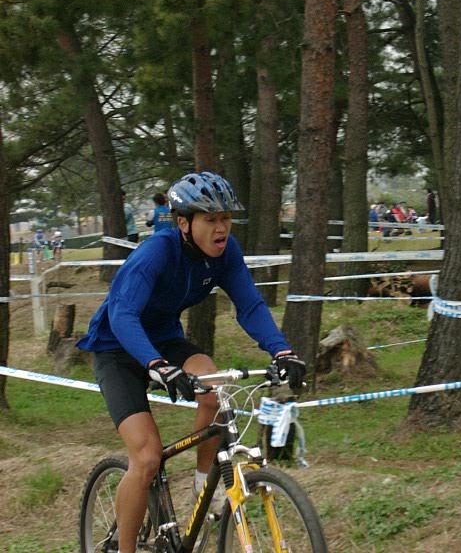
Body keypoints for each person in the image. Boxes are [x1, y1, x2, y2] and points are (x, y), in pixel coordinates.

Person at [77, 171, 307, 553]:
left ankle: (205, 489)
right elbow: (123, 314)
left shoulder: (226, 254)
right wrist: (156, 365)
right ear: (184, 223)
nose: (222, 228)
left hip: (165, 341)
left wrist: (282, 351)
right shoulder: (157, 252)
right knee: (147, 457)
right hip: (116, 348)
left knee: (214, 387)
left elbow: (249, 305)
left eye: (226, 218)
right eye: (211, 219)